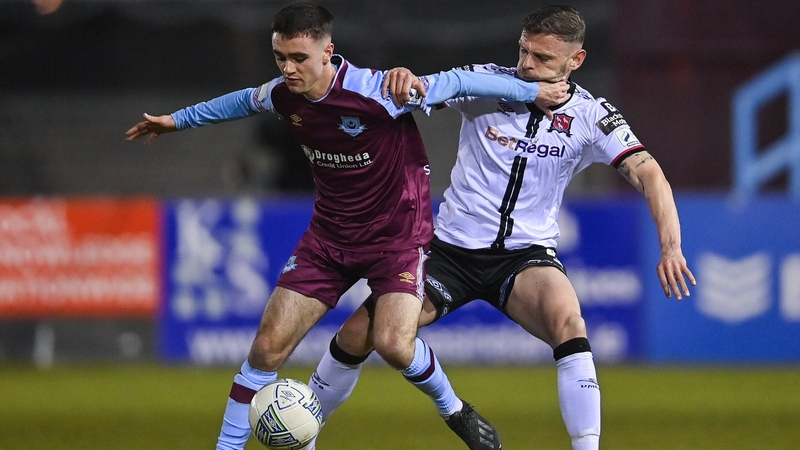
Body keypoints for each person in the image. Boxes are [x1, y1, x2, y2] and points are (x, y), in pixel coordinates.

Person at [125, 3, 568, 450]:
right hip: (330, 238)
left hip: (397, 240)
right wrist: (175, 121)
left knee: (394, 345)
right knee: (266, 348)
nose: (289, 68)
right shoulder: (284, 94)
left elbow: (455, 83)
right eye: (281, 57)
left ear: (327, 51)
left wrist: (529, 92)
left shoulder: (377, 91)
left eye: (299, 58)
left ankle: (455, 411)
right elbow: (241, 101)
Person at [306, 4, 697, 450]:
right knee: (359, 333)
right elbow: (421, 91)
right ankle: (303, 434)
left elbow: (650, 174)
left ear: (576, 60)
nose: (528, 65)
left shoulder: (592, 115)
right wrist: (401, 78)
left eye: (544, 58)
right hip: (448, 252)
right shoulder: (483, 82)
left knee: (569, 321)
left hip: (525, 258)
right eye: (524, 51)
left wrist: (671, 247)